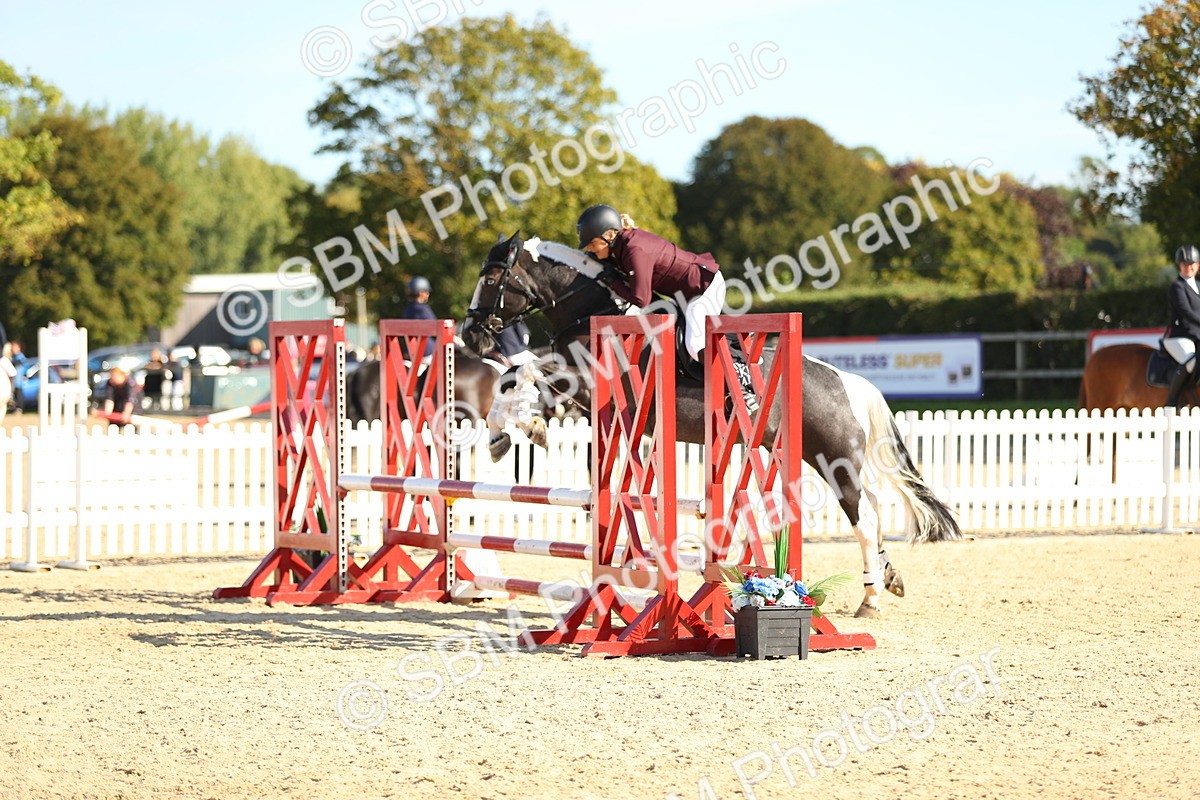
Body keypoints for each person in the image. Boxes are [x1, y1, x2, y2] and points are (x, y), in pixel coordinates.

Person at [576, 203, 758, 408]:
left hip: (702, 288)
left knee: (694, 345)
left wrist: (613, 282)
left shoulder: (634, 249)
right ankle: (734, 336)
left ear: (609, 235)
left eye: (592, 243)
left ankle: (740, 385)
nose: (590, 249)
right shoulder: (622, 246)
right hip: (684, 294)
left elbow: (641, 299)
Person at [1164, 244, 1200, 406]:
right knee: (1190, 361)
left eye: (1192, 264)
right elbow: (1186, 311)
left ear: (1197, 266)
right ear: (1179, 265)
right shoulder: (1177, 286)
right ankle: (1172, 400)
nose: (1188, 267)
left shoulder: (1198, 286)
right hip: (1180, 336)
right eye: (1185, 264)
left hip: (1197, 336)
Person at [400, 276, 437, 360]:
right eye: (426, 291)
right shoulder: (423, 309)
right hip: (426, 351)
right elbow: (436, 327)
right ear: (421, 293)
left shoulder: (408, 309)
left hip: (410, 350)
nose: (428, 294)